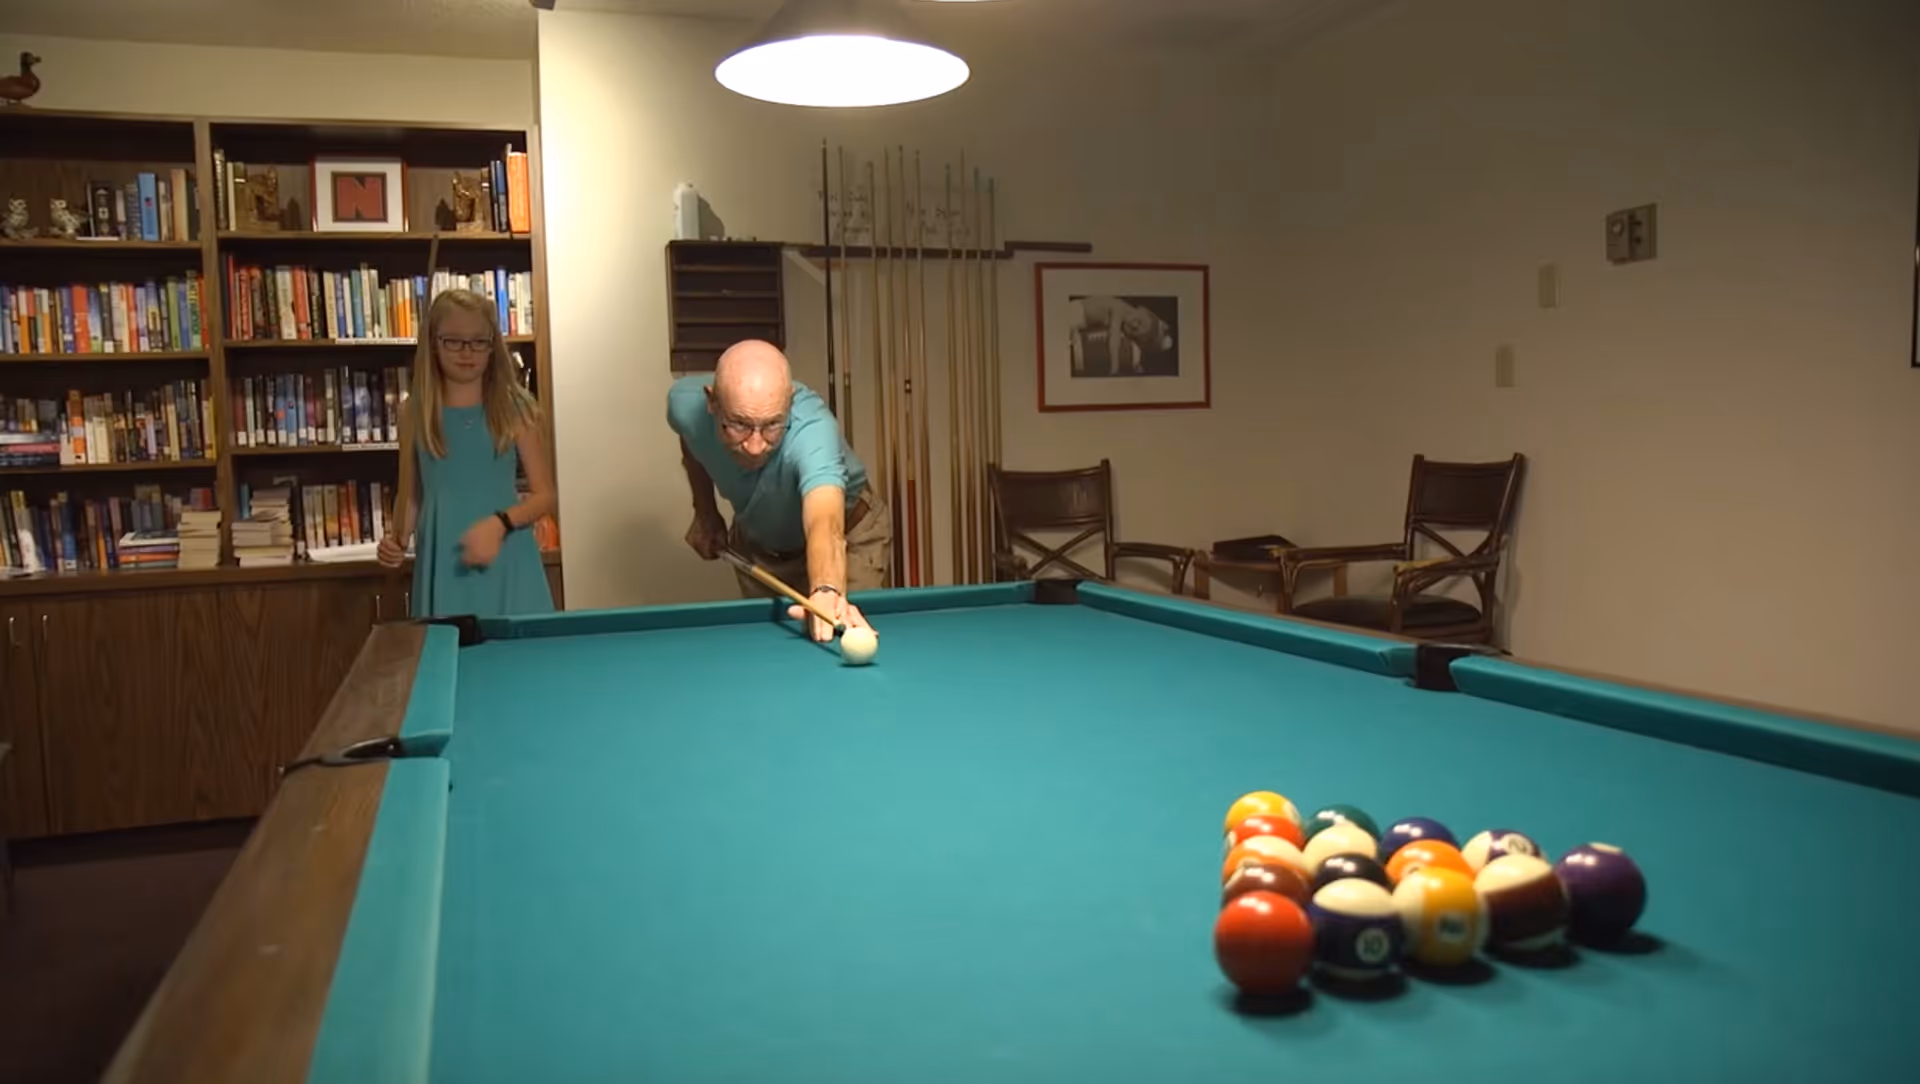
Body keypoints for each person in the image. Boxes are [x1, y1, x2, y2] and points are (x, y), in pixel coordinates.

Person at [668, 339, 890, 640]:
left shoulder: (813, 431)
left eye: (773, 425)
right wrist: (705, 511)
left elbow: (825, 523)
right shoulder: (685, 405)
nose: (756, 446)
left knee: (836, 640)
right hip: (761, 548)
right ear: (712, 403)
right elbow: (691, 438)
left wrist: (826, 590)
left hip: (849, 541)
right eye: (739, 424)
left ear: (791, 402)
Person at [377, 288, 557, 619]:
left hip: (508, 560)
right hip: (443, 564)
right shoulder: (413, 413)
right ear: (433, 342)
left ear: (492, 346)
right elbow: (413, 494)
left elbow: (545, 496)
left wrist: (499, 524)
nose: (467, 352)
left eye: (478, 341)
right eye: (454, 341)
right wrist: (397, 541)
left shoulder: (515, 408)